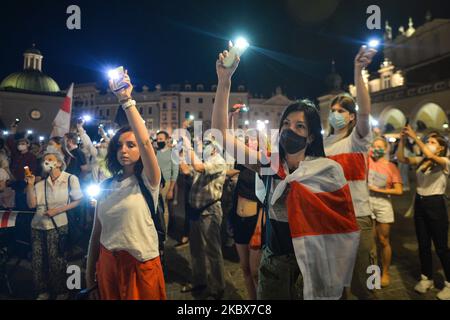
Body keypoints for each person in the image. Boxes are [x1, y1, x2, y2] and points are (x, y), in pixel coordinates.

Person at [211, 48, 359, 300]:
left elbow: (340, 228)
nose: (290, 130)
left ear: (311, 136)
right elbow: (219, 134)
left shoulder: (326, 170)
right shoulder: (270, 164)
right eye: (286, 124)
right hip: (275, 266)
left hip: (313, 266)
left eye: (300, 126)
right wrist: (224, 81)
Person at [86, 70, 166, 300]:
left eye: (131, 145)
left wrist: (126, 100)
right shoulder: (106, 185)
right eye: (119, 145)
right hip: (108, 265)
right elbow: (95, 234)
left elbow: (145, 143)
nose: (124, 150)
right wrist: (90, 273)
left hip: (141, 266)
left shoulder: (149, 180)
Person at [323, 45, 377, 299]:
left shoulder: (358, 140)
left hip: (358, 218)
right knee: (337, 285)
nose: (335, 114)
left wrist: (358, 71)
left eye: (341, 111)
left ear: (352, 117)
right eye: (332, 111)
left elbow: (365, 110)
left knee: (363, 284)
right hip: (331, 219)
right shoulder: (323, 146)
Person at [397, 127, 450, 300]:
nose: (429, 144)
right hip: (420, 203)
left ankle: (449, 283)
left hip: (436, 204)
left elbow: (431, 155)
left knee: (441, 247)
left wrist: (416, 137)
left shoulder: (444, 161)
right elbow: (401, 158)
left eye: (433, 142)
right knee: (423, 244)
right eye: (428, 141)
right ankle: (426, 277)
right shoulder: (422, 160)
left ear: (441, 147)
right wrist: (403, 140)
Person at [25, 146, 83, 300]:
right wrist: (30, 185)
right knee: (38, 260)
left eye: (50, 160)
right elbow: (31, 204)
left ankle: (61, 291)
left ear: (58, 163)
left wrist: (58, 210)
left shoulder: (70, 179)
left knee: (56, 259)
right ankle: (42, 290)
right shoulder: (40, 184)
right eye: (44, 160)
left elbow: (78, 200)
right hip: (37, 226)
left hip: (59, 224)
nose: (46, 162)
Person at [179, 136, 227, 300]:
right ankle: (199, 281)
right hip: (195, 209)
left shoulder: (219, 161)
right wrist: (180, 154)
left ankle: (217, 289)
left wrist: (188, 147)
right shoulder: (202, 159)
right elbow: (187, 170)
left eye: (206, 144)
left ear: (214, 148)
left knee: (212, 251)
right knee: (196, 250)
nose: (203, 146)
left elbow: (198, 167)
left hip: (210, 210)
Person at [368, 136, 403, 287]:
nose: (376, 148)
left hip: (383, 204)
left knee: (383, 240)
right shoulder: (367, 161)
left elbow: (399, 190)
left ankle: (386, 272)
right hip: (367, 203)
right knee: (370, 242)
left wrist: (379, 190)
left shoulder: (391, 166)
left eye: (380, 146)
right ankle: (373, 273)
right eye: (374, 146)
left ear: (386, 148)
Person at [156, 130, 179, 232]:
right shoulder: (155, 152)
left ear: (166, 140)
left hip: (166, 184)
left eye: (161, 139)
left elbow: (175, 172)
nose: (159, 141)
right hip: (155, 183)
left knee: (164, 208)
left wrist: (171, 189)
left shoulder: (172, 153)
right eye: (157, 139)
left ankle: (164, 232)